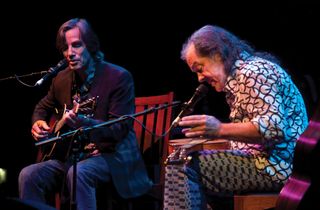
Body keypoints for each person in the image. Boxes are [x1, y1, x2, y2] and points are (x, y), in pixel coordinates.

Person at [163, 25, 309, 210]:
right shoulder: (241, 76)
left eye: (200, 68)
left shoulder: (253, 73)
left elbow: (275, 129)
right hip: (264, 162)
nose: (199, 78)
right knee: (188, 164)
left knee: (183, 166)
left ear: (217, 54)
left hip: (274, 166)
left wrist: (220, 129)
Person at [18, 18, 152, 210]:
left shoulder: (118, 77)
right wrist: (38, 122)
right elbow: (42, 106)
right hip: (72, 157)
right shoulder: (61, 79)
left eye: (76, 45)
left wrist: (82, 123)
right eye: (65, 48)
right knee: (29, 175)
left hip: (112, 157)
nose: (70, 53)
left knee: (79, 173)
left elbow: (120, 128)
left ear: (90, 45)